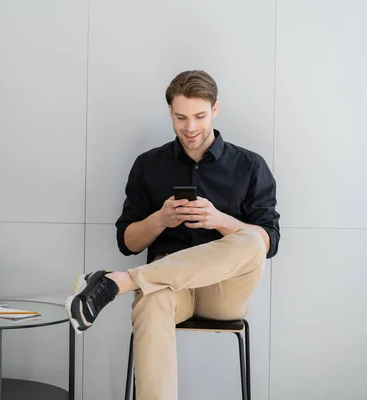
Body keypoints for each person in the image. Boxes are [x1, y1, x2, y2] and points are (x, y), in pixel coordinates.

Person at [64, 70, 280, 400]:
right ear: (170, 113)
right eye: (181, 117)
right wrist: (161, 219)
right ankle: (129, 281)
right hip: (165, 286)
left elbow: (269, 243)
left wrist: (220, 220)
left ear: (216, 109)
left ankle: (118, 282)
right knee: (150, 303)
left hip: (223, 290)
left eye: (199, 116)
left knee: (251, 240)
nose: (190, 128)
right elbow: (128, 242)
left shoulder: (250, 165)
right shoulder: (149, 165)